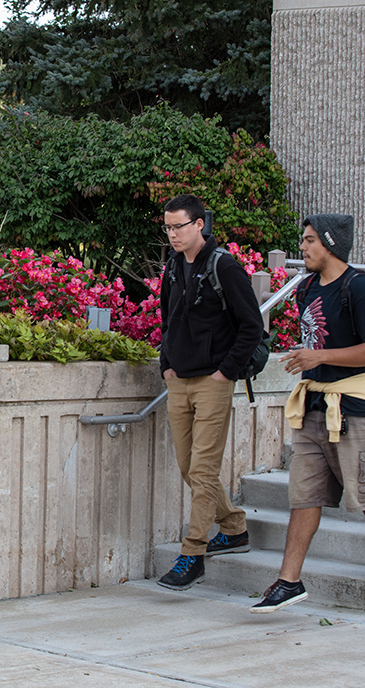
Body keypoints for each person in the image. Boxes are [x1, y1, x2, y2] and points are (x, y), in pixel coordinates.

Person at [250, 213, 365, 613]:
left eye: (310, 240)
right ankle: (288, 581)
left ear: (331, 244)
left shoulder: (358, 287)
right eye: (303, 239)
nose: (303, 247)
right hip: (313, 407)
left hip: (353, 411)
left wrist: (321, 355)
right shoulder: (307, 287)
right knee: (304, 496)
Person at [157, 194, 263, 591]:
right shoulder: (171, 268)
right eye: (168, 227)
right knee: (189, 468)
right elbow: (167, 320)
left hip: (213, 383)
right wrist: (165, 364)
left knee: (201, 471)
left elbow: (252, 326)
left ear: (200, 224)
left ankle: (192, 554)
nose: (173, 234)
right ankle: (234, 527)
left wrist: (225, 373)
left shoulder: (225, 267)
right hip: (178, 379)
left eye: (179, 226)